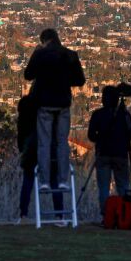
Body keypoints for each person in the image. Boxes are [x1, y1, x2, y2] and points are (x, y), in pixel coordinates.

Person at [23, 28, 86, 204]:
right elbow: (80, 80)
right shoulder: (70, 55)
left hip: (44, 104)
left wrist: (36, 56)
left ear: (44, 40)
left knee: (44, 143)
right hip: (63, 104)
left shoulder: (40, 54)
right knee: (61, 142)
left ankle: (43, 181)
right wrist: (64, 81)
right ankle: (63, 180)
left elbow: (28, 75)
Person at [87, 85, 131, 221]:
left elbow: (91, 136)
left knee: (103, 187)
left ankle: (105, 215)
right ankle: (125, 215)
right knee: (123, 186)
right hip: (121, 154)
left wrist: (100, 138)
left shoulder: (97, 115)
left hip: (103, 154)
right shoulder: (124, 116)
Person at [16, 90, 41, 223]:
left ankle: (23, 213)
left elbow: (20, 138)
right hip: (42, 150)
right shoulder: (40, 118)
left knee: (27, 182)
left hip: (28, 153)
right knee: (53, 180)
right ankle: (58, 213)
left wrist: (23, 151)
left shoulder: (22, 121)